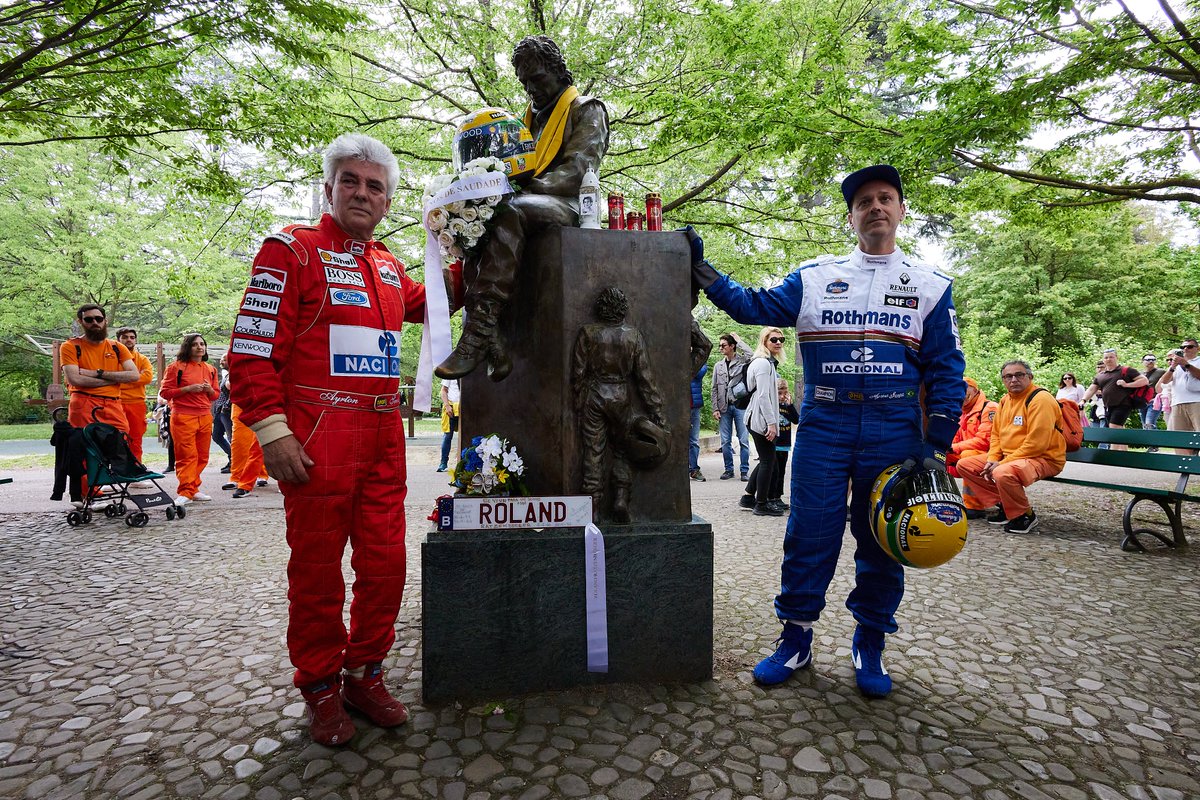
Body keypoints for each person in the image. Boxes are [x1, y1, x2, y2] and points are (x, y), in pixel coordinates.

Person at [688, 164, 966, 698]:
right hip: (825, 425)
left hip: (894, 430)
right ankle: (795, 637)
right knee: (809, 533)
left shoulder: (932, 286)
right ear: (851, 217)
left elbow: (946, 369)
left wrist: (935, 443)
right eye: (865, 202)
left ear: (902, 211)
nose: (876, 207)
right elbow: (753, 306)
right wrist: (701, 268)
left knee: (881, 540)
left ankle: (871, 641)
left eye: (886, 198)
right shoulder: (814, 276)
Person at [229, 133, 462, 747]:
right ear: (329, 188)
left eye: (375, 186)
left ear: (388, 202)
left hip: (384, 438)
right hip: (316, 438)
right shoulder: (290, 249)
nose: (362, 193)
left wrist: (481, 243)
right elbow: (250, 352)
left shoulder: (388, 265)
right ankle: (320, 687)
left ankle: (365, 673)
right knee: (317, 575)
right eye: (350, 182)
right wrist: (271, 431)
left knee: (386, 567)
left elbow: (437, 301)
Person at [436, 35, 609, 380]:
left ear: (558, 72)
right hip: (529, 202)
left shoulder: (587, 109)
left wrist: (514, 191)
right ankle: (494, 341)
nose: (531, 89)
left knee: (506, 210)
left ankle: (477, 334)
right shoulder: (524, 121)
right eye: (525, 82)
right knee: (475, 220)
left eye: (538, 79)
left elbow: (578, 169)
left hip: (570, 205)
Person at [957, 360, 1066, 533]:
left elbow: (1037, 445)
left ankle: (1024, 516)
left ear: (1030, 377)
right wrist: (993, 458)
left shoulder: (1041, 399)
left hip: (1043, 458)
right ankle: (1007, 507)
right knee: (965, 465)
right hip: (1010, 457)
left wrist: (1001, 462)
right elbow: (996, 436)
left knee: (1002, 472)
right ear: (1003, 380)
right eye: (1008, 376)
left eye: (1019, 375)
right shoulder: (1005, 400)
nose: (1013, 379)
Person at [59, 305, 140, 432]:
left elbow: (134, 375)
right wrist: (115, 380)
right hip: (84, 402)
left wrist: (97, 373)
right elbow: (75, 379)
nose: (95, 323)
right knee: (87, 446)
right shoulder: (70, 346)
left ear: (105, 320)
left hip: (114, 404)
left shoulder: (117, 347)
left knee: (120, 444)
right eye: (89, 320)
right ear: (81, 322)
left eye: (98, 319)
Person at [160, 334, 219, 506]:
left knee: (202, 456)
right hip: (183, 416)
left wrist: (208, 390)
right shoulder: (176, 367)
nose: (200, 347)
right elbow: (165, 393)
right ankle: (185, 491)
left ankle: (193, 488)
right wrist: (188, 389)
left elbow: (215, 395)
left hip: (205, 416)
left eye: (202, 344)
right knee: (186, 456)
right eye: (195, 344)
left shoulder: (210, 369)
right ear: (188, 347)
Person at [743, 327, 785, 516]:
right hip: (759, 419)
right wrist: (771, 423)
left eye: (781, 340)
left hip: (758, 418)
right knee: (768, 461)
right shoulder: (762, 364)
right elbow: (762, 396)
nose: (778, 342)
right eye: (774, 339)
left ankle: (749, 497)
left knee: (768, 459)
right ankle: (761, 503)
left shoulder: (766, 362)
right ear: (764, 341)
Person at [741, 379, 800, 512]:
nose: (782, 396)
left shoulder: (787, 406)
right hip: (773, 442)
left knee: (780, 472)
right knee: (771, 469)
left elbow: (796, 419)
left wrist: (790, 405)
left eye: (785, 393)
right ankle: (769, 497)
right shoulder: (771, 406)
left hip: (784, 444)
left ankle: (776, 496)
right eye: (779, 393)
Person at [948, 377, 998, 519]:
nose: (961, 394)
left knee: (967, 457)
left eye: (964, 390)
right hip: (968, 452)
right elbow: (955, 438)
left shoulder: (989, 408)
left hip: (991, 455)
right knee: (936, 455)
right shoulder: (961, 411)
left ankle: (974, 505)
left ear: (975, 390)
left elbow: (985, 441)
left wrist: (954, 447)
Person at [1081, 348, 1146, 450]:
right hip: (1108, 406)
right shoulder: (1100, 375)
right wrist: (1083, 400)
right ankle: (1124, 453)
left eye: (1111, 357)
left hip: (1124, 404)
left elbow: (1144, 381)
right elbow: (1092, 389)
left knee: (1114, 426)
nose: (1108, 359)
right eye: (1106, 357)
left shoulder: (1126, 370)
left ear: (1116, 357)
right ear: (1103, 359)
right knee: (1119, 427)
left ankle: (1113, 453)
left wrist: (1127, 384)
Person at [711, 333, 753, 480]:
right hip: (724, 408)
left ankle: (744, 471)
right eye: (720, 345)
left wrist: (740, 341)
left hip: (740, 406)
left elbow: (752, 355)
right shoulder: (718, 366)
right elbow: (714, 388)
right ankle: (728, 470)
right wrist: (715, 408)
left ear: (732, 346)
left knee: (743, 440)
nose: (721, 348)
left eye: (723, 345)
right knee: (725, 441)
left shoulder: (742, 361)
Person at [114, 327, 154, 463]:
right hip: (115, 402)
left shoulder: (142, 359)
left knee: (135, 439)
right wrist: (133, 378)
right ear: (118, 340)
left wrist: (120, 379)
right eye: (125, 337)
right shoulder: (111, 359)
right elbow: (106, 378)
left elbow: (147, 378)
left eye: (132, 337)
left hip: (136, 403)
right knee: (114, 439)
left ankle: (135, 472)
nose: (129, 340)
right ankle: (114, 473)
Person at [1160, 338, 1200, 455]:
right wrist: (1172, 367)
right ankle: (1185, 467)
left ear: (1197, 348)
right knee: (1179, 437)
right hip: (1177, 403)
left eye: (1189, 346)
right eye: (1183, 347)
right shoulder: (1176, 364)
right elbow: (1165, 381)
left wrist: (1186, 365)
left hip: (1197, 401)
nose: (1185, 349)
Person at [212, 354, 233, 473]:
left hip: (227, 411)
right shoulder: (226, 375)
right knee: (216, 436)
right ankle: (232, 458)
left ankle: (234, 463)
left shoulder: (234, 375)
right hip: (220, 411)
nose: (221, 361)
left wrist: (227, 405)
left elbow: (234, 392)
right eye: (221, 359)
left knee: (231, 438)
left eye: (224, 359)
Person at [689, 365, 709, 481]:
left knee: (694, 440)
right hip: (679, 406)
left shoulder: (697, 359)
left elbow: (700, 371)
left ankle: (694, 469)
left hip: (694, 406)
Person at [1138, 354, 1166, 433]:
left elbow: (1169, 383)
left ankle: (1155, 442)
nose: (1150, 361)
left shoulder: (1161, 372)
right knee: (1144, 425)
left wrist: (1161, 395)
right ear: (1142, 361)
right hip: (1142, 402)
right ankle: (1150, 444)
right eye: (1148, 359)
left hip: (1155, 401)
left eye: (1153, 359)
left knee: (1149, 423)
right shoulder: (1140, 374)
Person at [438, 379, 461, 472]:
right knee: (447, 436)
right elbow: (443, 390)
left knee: (466, 435)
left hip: (465, 407)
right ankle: (443, 462)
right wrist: (447, 405)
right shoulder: (450, 371)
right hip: (451, 407)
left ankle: (463, 462)